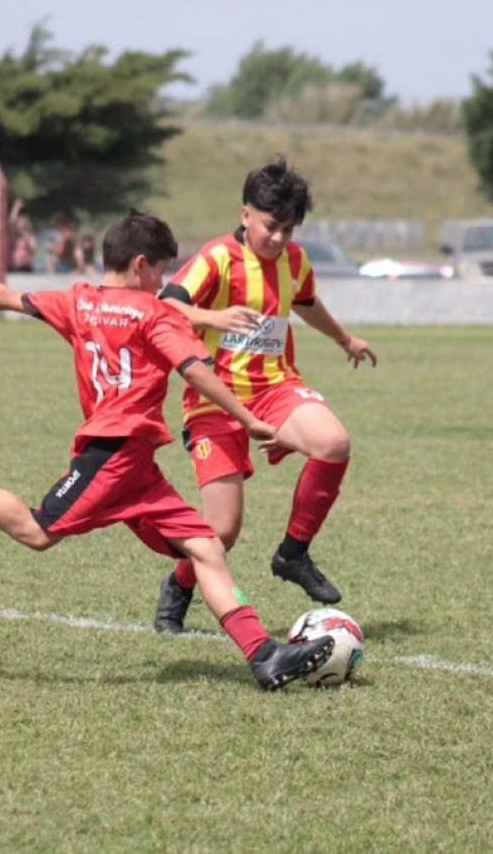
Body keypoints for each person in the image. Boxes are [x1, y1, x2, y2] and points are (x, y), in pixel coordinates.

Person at [0, 209, 334, 691]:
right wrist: (248, 418)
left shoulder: (78, 301)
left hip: (137, 463)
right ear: (142, 265)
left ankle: (264, 656)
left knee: (206, 546)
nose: (163, 282)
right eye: (162, 271)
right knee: (36, 530)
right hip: (112, 455)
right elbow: (195, 369)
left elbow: (3, 295)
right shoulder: (155, 312)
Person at [153, 156, 377, 634]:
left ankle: (293, 552)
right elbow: (165, 306)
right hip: (215, 400)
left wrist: (344, 339)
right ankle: (178, 589)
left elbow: (308, 303)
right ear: (245, 214)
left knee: (334, 443)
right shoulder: (216, 258)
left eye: (288, 230)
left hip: (277, 388)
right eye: (271, 227)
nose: (278, 239)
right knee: (222, 532)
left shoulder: (295, 261)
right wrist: (215, 318)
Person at [8, 199, 37, 273]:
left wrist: (24, 233)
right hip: (12, 267)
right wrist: (16, 208)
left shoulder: (30, 236)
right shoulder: (13, 235)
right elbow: (11, 221)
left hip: (25, 267)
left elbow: (33, 250)